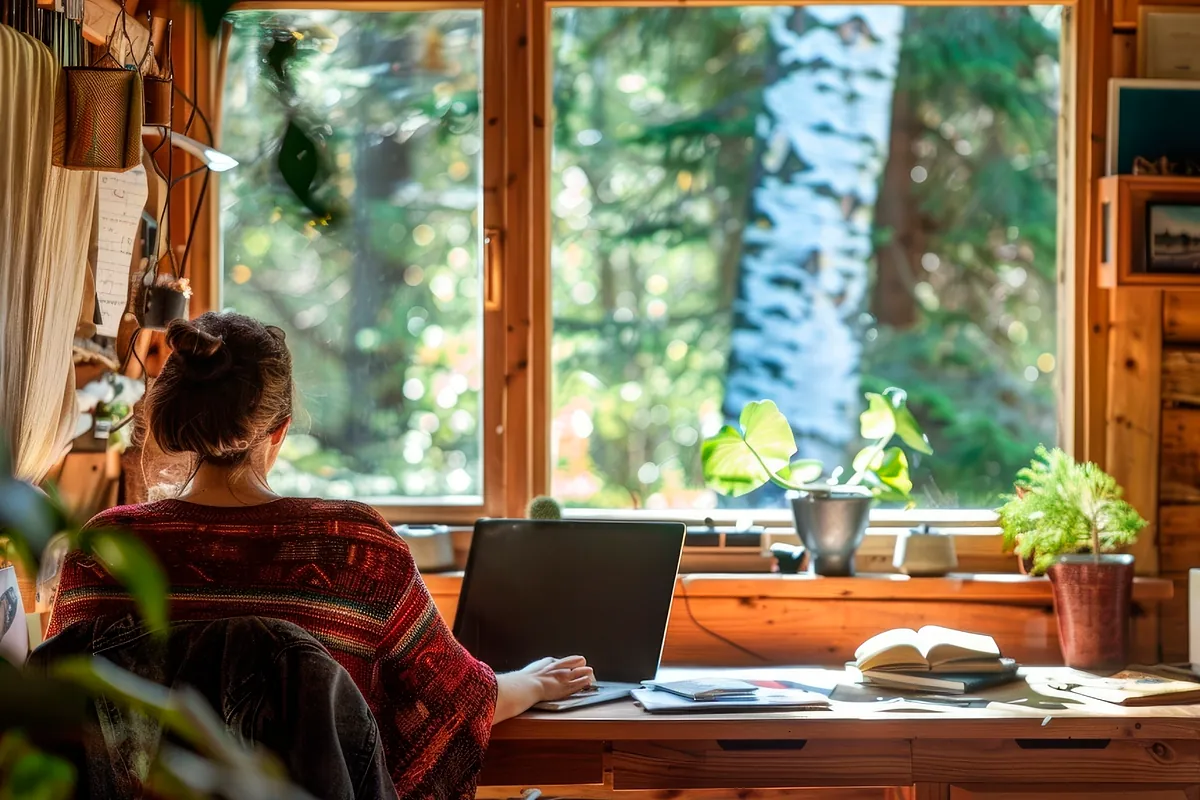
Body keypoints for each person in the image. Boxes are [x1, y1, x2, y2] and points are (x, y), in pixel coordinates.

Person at [46, 312, 593, 800]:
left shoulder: (102, 552)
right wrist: (535, 683)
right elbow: (455, 698)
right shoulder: (357, 550)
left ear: (178, 421)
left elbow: (63, 722)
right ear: (279, 431)